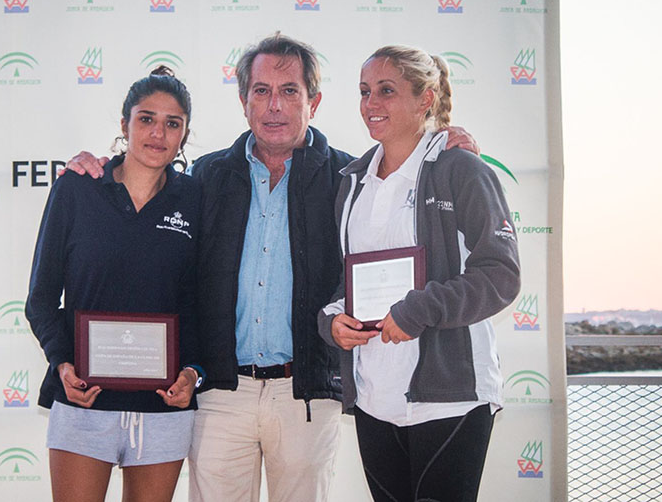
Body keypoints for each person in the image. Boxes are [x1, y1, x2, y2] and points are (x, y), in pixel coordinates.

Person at [61, 33, 480, 502]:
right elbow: (143, 183)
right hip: (221, 395)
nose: (274, 106)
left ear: (313, 102)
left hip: (306, 396)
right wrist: (97, 165)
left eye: (289, 92)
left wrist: (443, 140)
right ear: (244, 101)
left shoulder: (351, 178)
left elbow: (406, 165)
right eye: (261, 91)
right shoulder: (206, 177)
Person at [318, 45, 521, 502]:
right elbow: (345, 280)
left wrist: (418, 310)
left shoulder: (461, 168)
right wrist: (331, 321)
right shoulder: (351, 182)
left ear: (425, 99)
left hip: (449, 396)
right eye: (365, 91)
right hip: (374, 397)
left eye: (386, 91)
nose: (371, 104)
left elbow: (500, 274)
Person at [25, 67, 205, 502]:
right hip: (84, 400)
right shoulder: (76, 189)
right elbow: (41, 299)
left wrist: (193, 373)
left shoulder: (196, 199)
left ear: (184, 134)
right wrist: (63, 364)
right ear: (124, 125)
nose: (158, 133)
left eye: (172, 123)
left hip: (163, 406)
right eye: (146, 118)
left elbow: (202, 303)